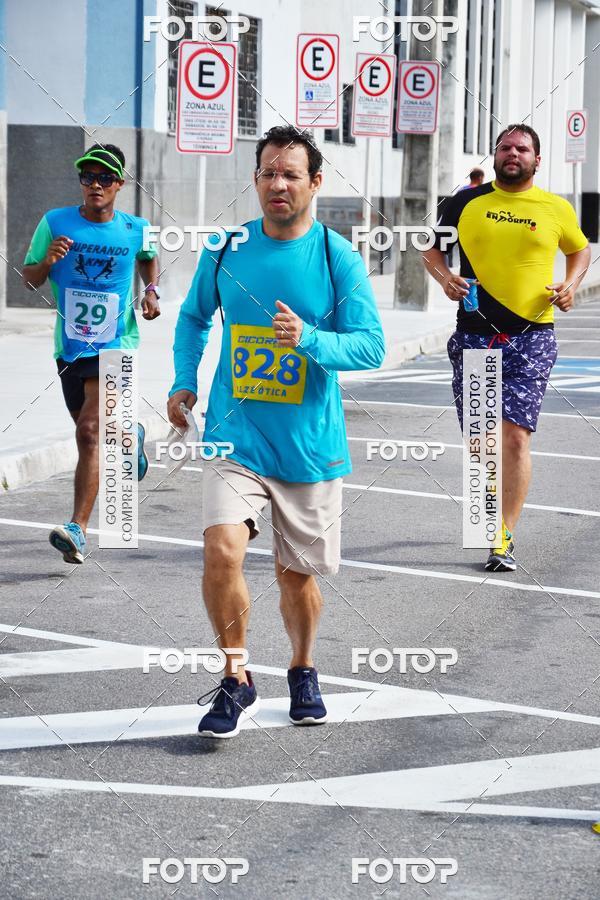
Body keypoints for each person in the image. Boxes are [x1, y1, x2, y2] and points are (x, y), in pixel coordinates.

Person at [168, 124, 385, 738]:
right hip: (234, 436)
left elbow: (371, 347)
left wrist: (309, 339)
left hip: (308, 446)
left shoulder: (336, 256)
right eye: (267, 172)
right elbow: (192, 319)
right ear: (256, 179)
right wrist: (185, 378)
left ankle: (303, 667)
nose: (277, 183)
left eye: (291, 173)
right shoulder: (226, 246)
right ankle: (236, 679)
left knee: (296, 577)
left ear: (316, 183)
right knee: (222, 549)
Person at [422, 124, 590, 572]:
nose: (513, 154)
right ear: (495, 156)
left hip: (533, 336)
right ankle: (490, 518)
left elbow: (580, 250)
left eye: (523, 148)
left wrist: (571, 285)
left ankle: (502, 536)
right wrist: (445, 280)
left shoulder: (555, 207)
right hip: (476, 332)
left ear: (537, 160)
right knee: (482, 442)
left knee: (515, 438)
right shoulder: (465, 202)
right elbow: (431, 251)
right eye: (505, 147)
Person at [22, 144, 161, 564]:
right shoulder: (55, 222)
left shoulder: (137, 227)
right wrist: (47, 261)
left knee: (87, 431)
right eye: (88, 177)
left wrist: (151, 292)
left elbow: (149, 260)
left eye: (105, 178)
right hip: (70, 347)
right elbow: (27, 280)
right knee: (99, 435)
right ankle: (131, 432)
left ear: (120, 184)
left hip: (117, 343)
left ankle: (77, 529)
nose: (95, 185)